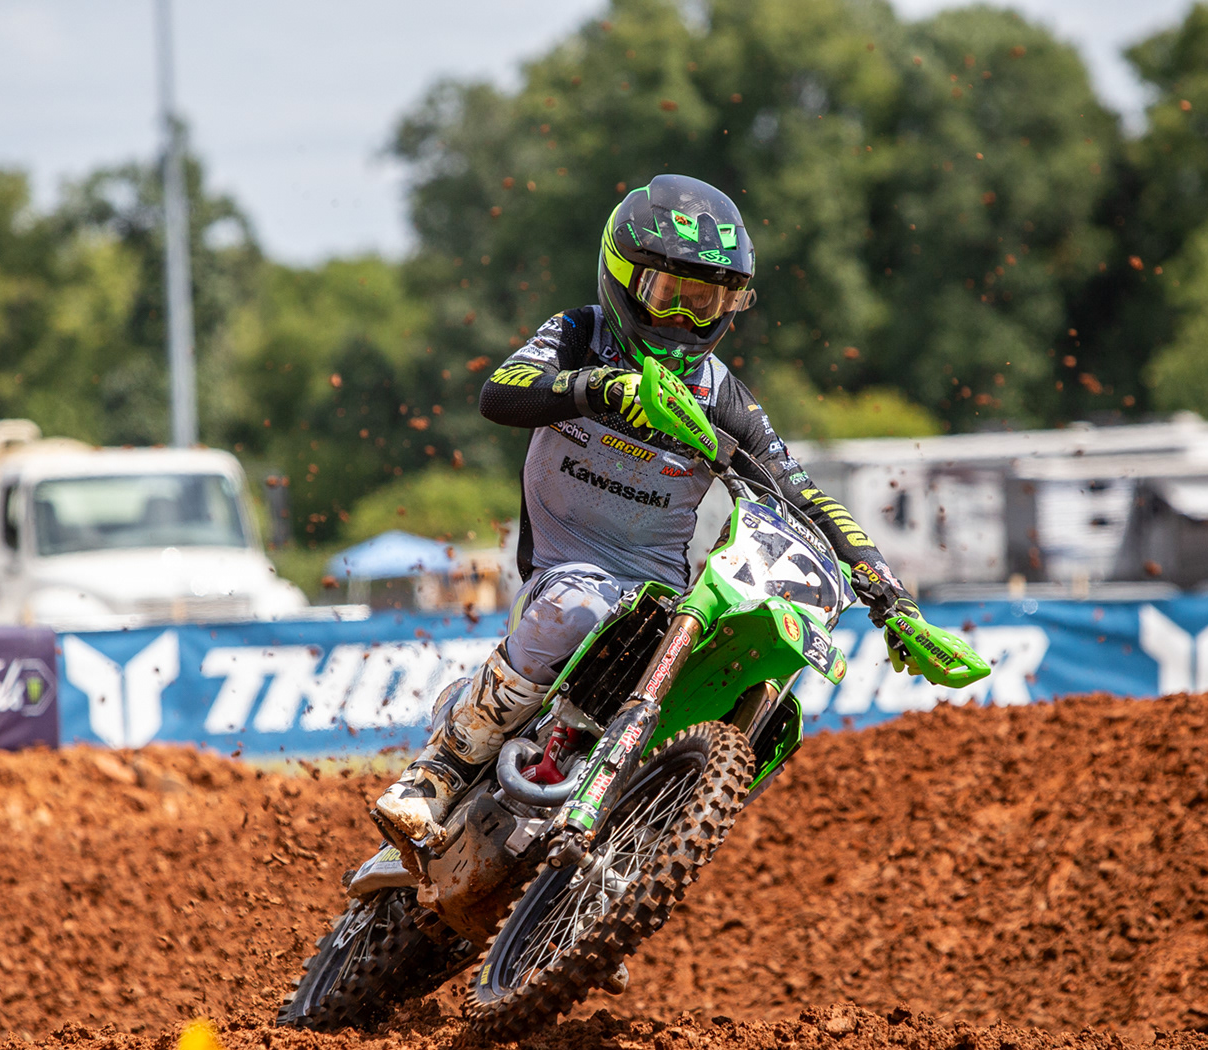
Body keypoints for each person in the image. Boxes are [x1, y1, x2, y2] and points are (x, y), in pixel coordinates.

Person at [372, 173, 935, 849]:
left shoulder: (724, 398)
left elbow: (802, 491)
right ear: (623, 279)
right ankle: (441, 769)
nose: (685, 321)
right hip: (567, 566)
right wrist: (600, 389)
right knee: (577, 608)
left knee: (753, 689)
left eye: (707, 303)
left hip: (661, 592)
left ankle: (631, 862)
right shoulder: (581, 333)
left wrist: (891, 598)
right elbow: (501, 392)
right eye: (671, 295)